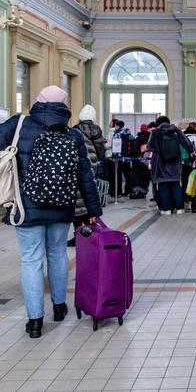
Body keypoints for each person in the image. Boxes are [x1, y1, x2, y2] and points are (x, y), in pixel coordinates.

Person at [0, 86, 102, 338]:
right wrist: (93, 210)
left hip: (26, 207)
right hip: (61, 206)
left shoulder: (18, 124)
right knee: (57, 254)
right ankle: (59, 306)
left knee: (31, 259)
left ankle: (35, 321)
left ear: (38, 101)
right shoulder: (73, 134)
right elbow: (85, 177)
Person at [146, 116, 195, 215]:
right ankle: (180, 209)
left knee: (163, 185)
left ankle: (167, 209)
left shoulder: (155, 132)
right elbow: (187, 143)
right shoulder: (176, 130)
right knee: (176, 185)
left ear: (158, 123)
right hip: (175, 162)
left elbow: (149, 147)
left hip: (160, 163)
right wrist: (190, 150)